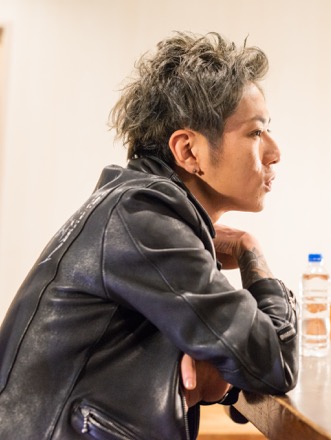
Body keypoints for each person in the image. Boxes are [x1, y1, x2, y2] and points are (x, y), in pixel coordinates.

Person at [0, 31, 298, 439]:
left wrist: (221, 377)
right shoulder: (142, 217)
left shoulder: (135, 210)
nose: (275, 152)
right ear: (189, 151)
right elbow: (275, 361)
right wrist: (249, 249)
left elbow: (234, 365)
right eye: (256, 133)